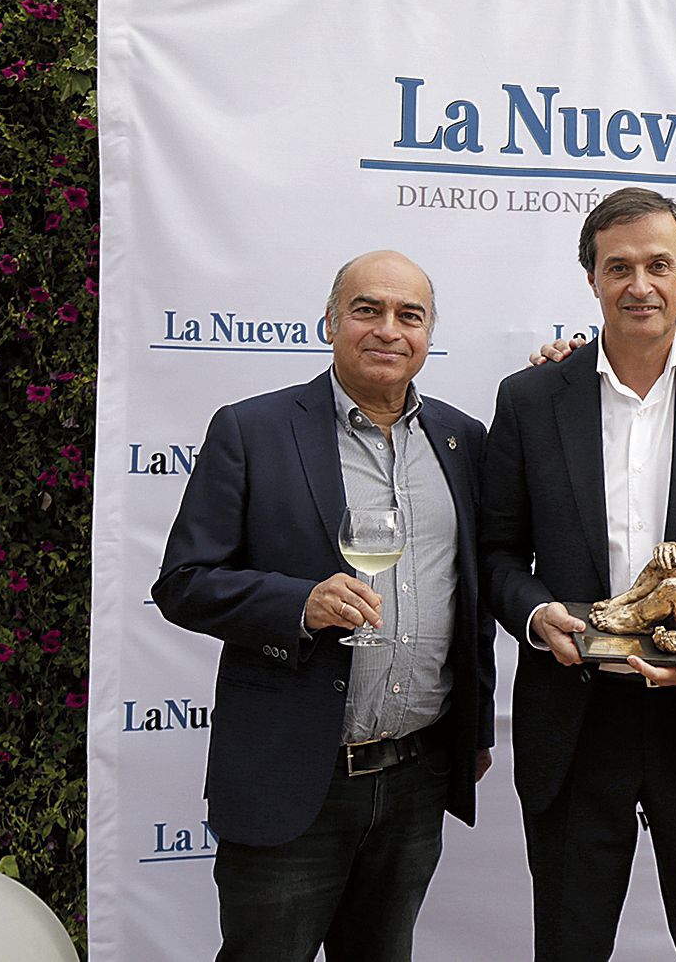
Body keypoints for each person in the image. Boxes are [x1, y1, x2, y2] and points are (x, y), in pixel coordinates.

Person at [152, 250, 495, 962]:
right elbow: (182, 580)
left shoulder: (463, 441)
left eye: (410, 314)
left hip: (414, 777)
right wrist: (297, 603)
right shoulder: (253, 430)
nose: (388, 329)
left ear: (429, 333)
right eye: (367, 309)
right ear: (331, 321)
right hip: (292, 777)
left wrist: (475, 727)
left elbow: (475, 592)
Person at [481, 187, 676, 962]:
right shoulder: (528, 399)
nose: (639, 284)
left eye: (658, 263)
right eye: (617, 266)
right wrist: (534, 614)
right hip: (574, 715)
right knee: (569, 942)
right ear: (590, 277)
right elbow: (494, 556)